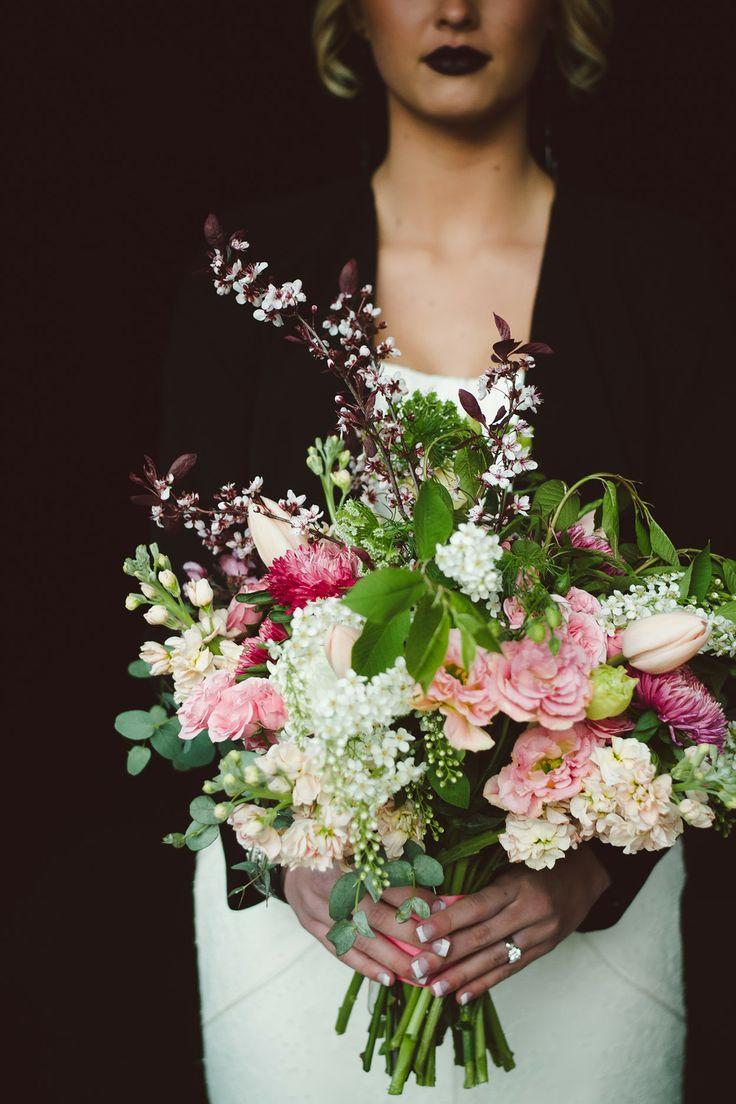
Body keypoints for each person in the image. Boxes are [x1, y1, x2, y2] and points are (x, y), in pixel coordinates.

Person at [161, 3, 731, 1101]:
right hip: (306, 933)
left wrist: (595, 872)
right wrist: (288, 859)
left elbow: (718, 606)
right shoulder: (243, 283)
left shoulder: (660, 273)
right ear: (351, 19)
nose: (454, 10)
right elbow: (184, 609)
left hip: (582, 934)